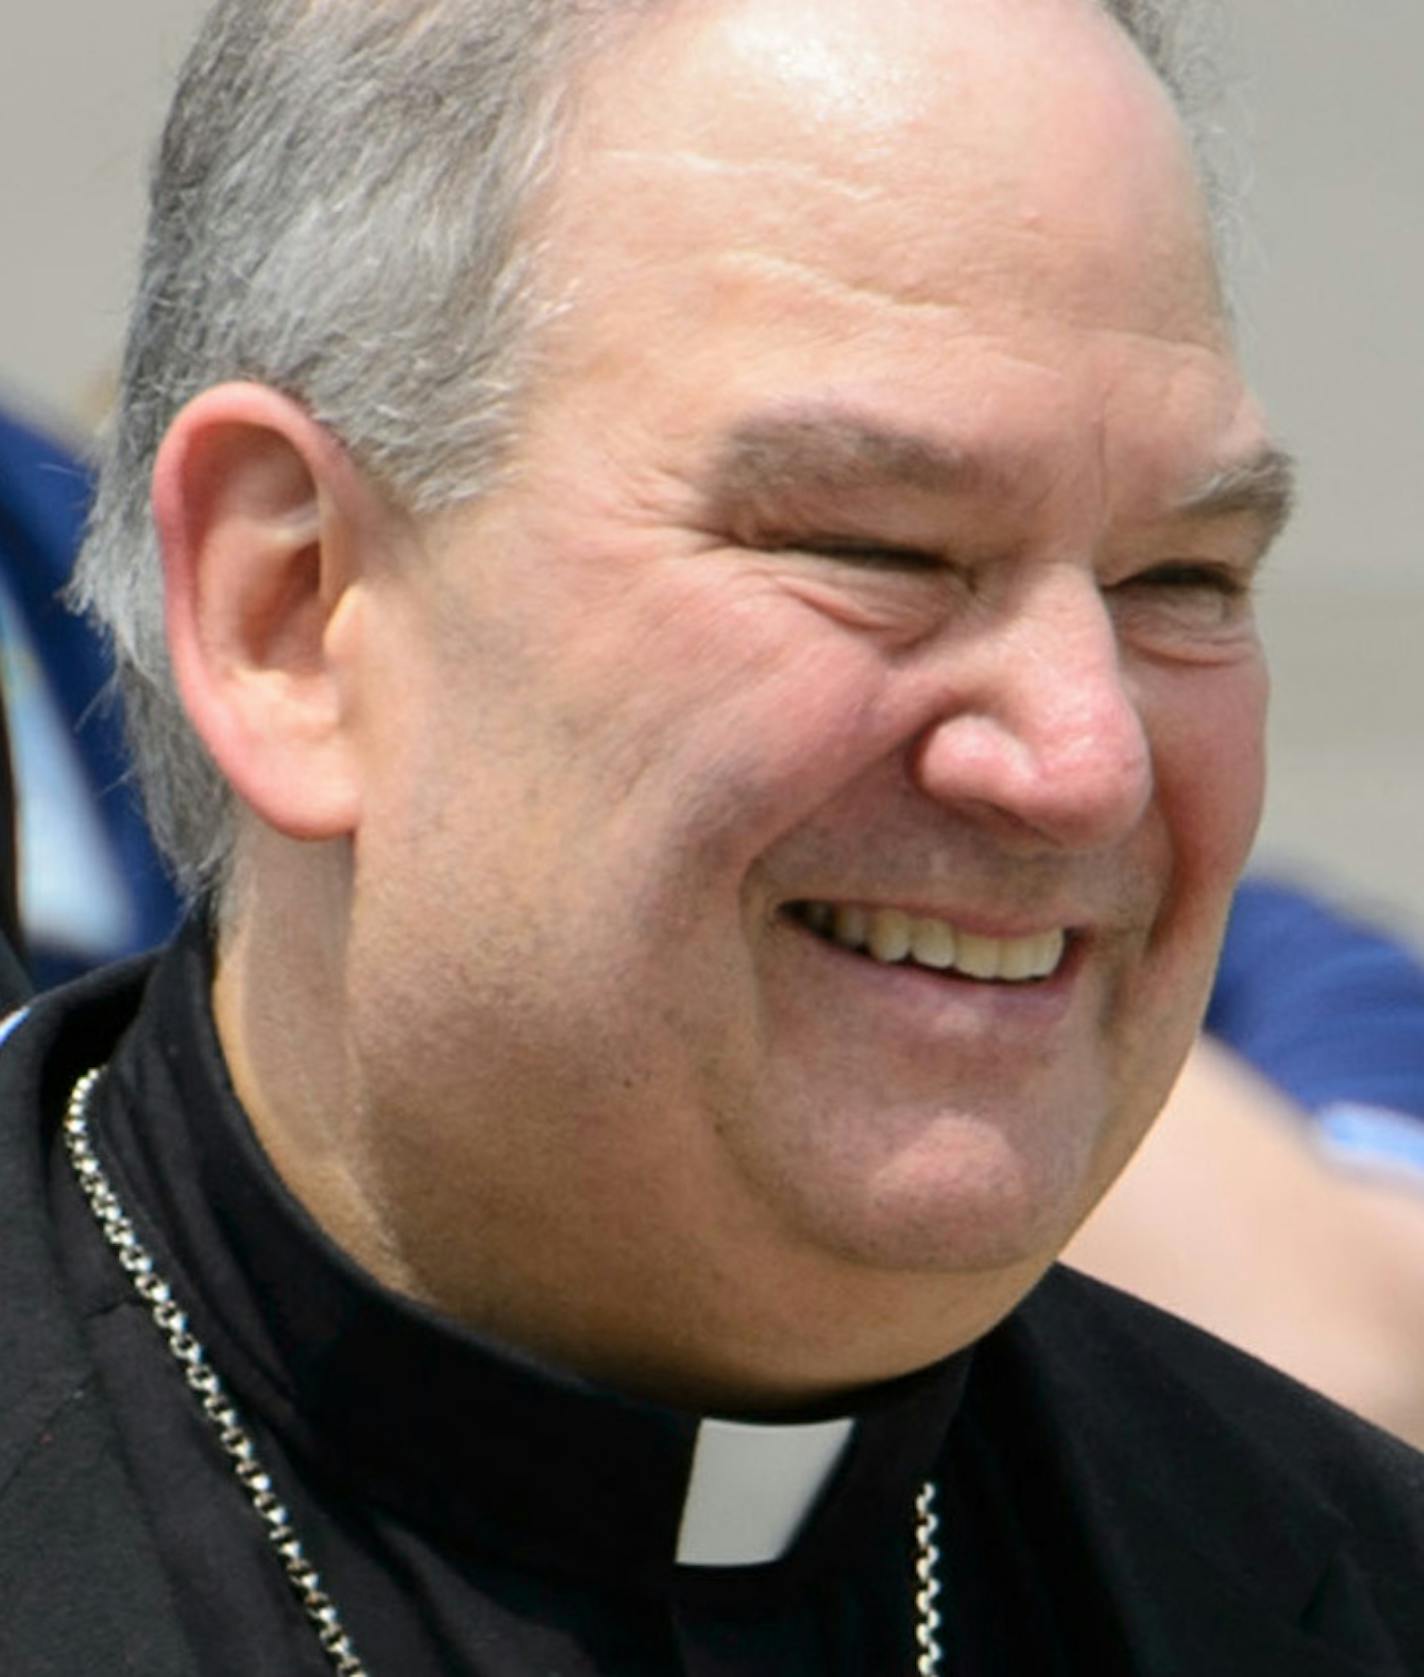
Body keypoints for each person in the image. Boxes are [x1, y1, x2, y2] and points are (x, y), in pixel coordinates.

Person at [3, 0, 1421, 1671]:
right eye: (879, 547)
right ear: (294, 612)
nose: (1086, 757)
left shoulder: (1338, 1589)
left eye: (1182, 580)